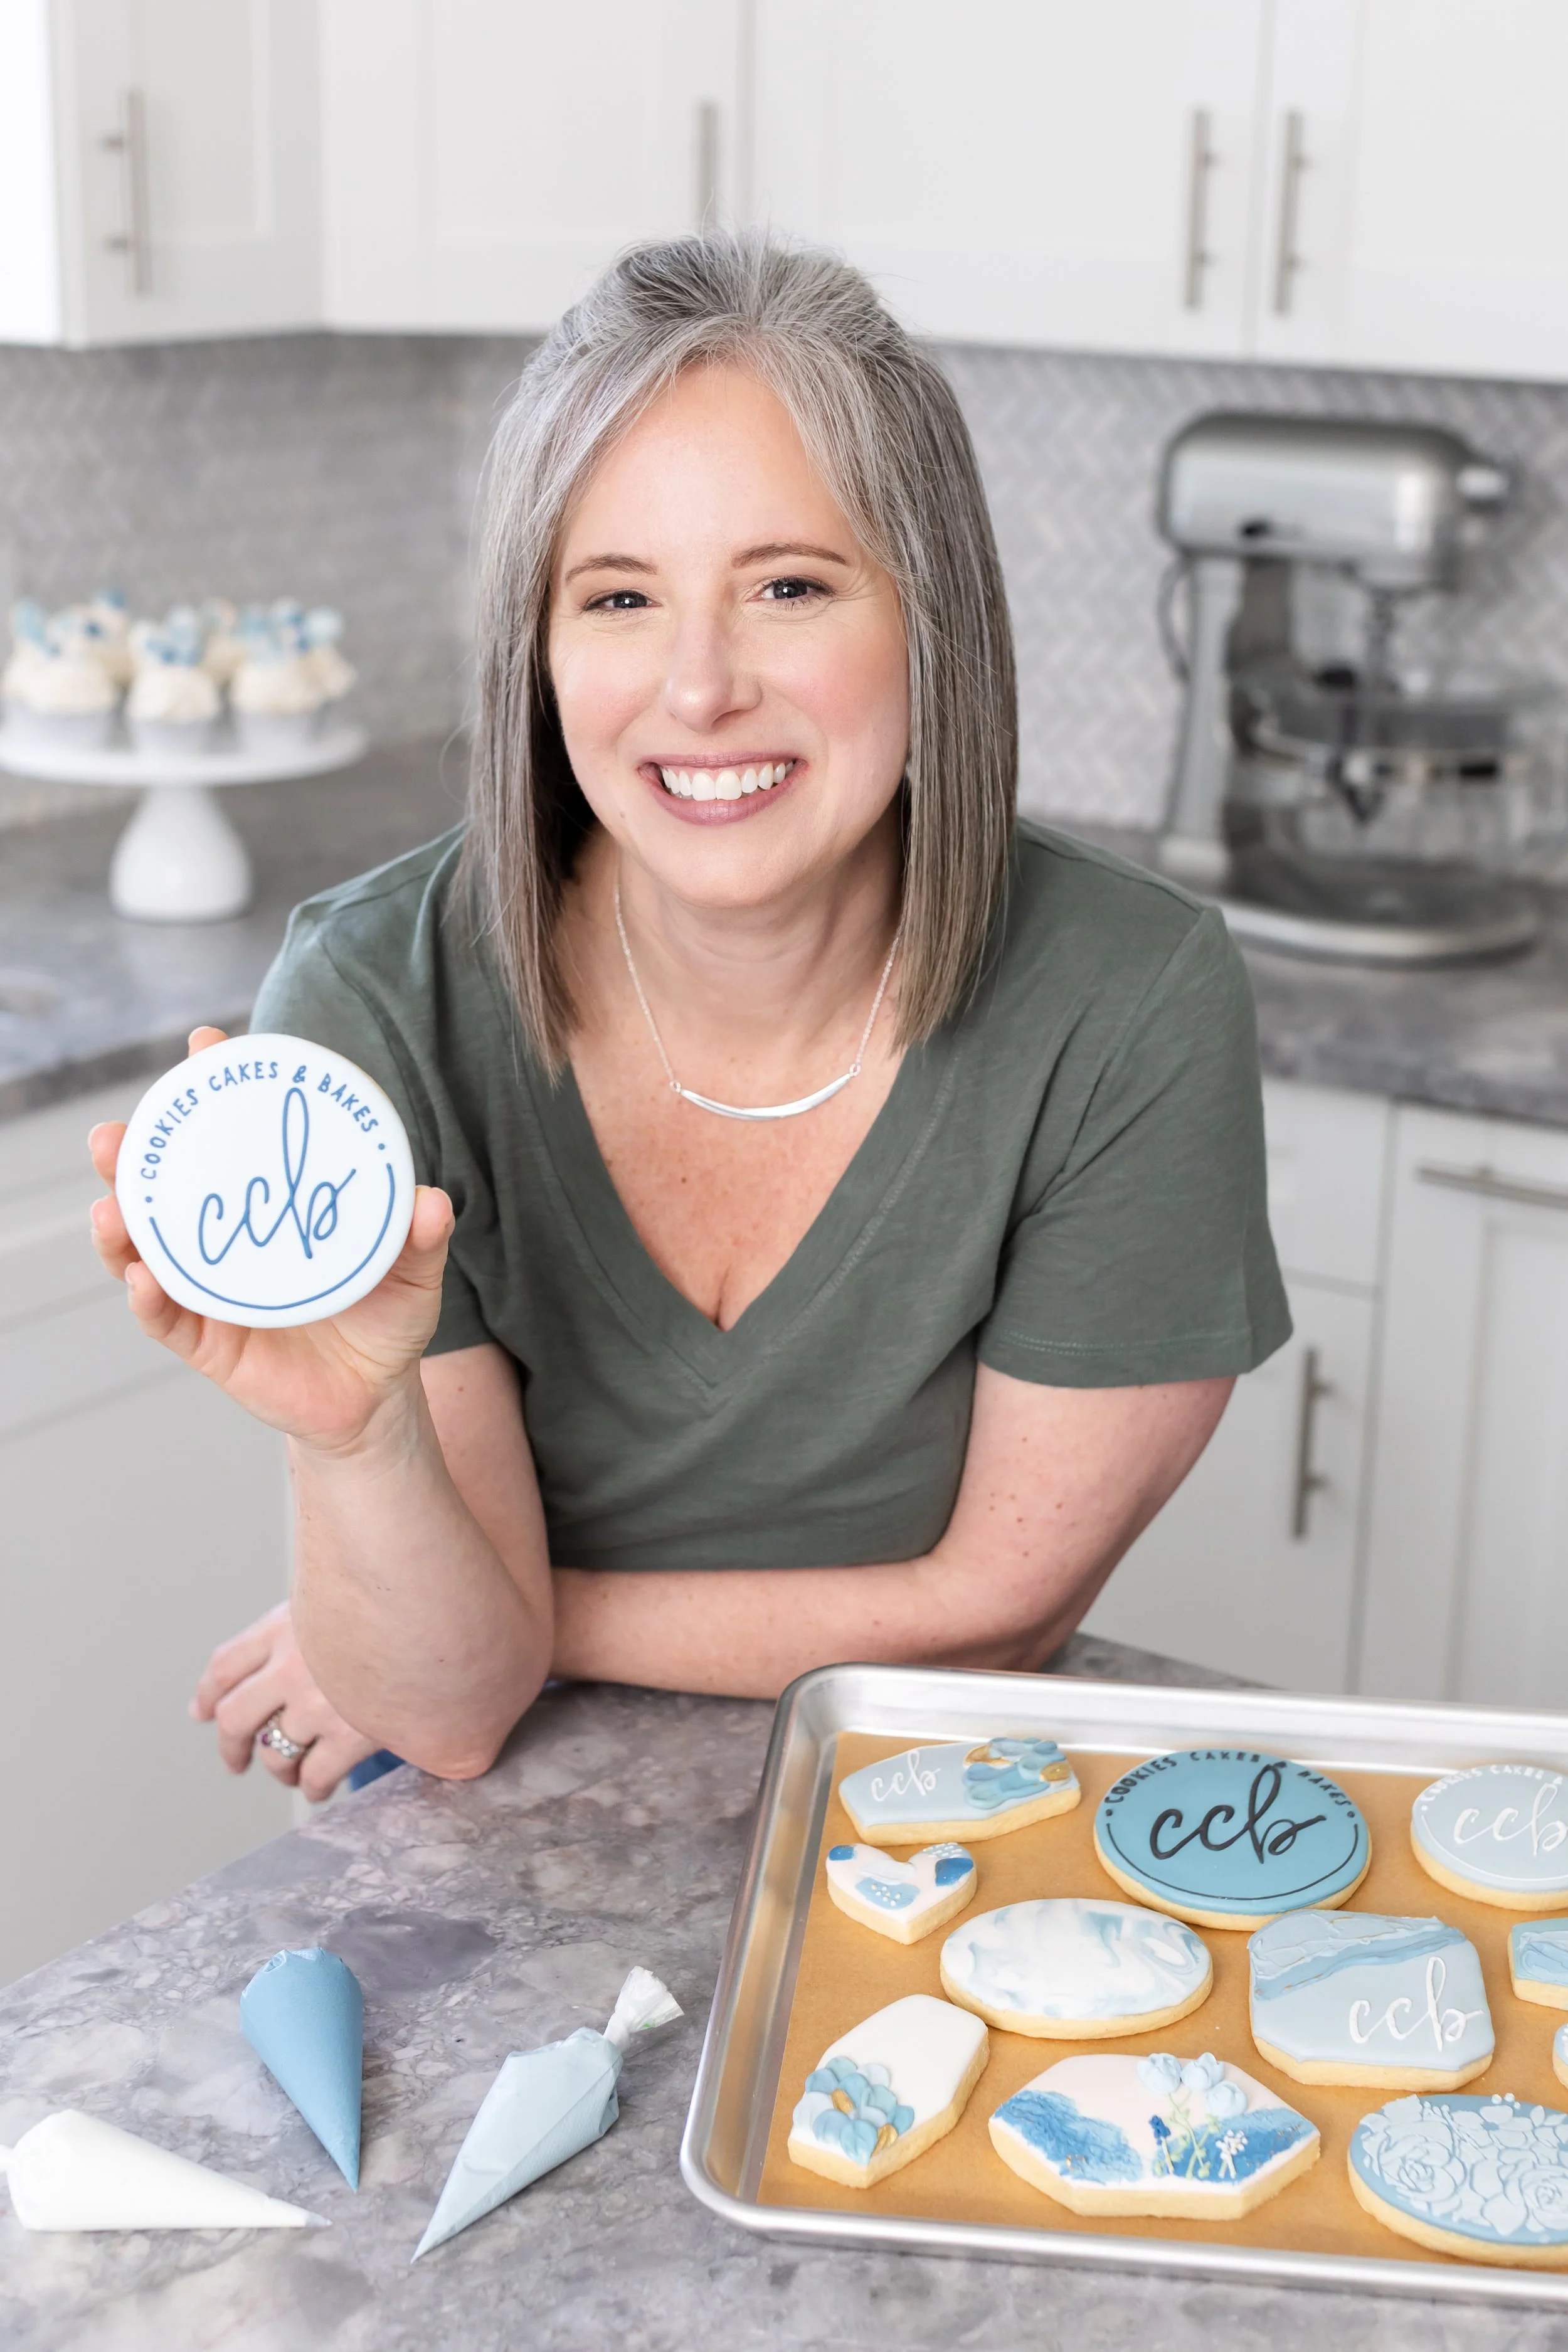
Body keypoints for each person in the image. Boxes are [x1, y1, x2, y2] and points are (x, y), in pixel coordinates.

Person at [88, 235, 1289, 1804]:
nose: (700, 686)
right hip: (481, 1823)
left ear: (928, 620)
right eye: (618, 597)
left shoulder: (1124, 1002)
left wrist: (509, 1619)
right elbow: (444, 1722)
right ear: (539, 652)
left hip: (923, 1800)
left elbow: (994, 1620)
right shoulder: (374, 1000)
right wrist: (358, 1441)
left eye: (788, 586)